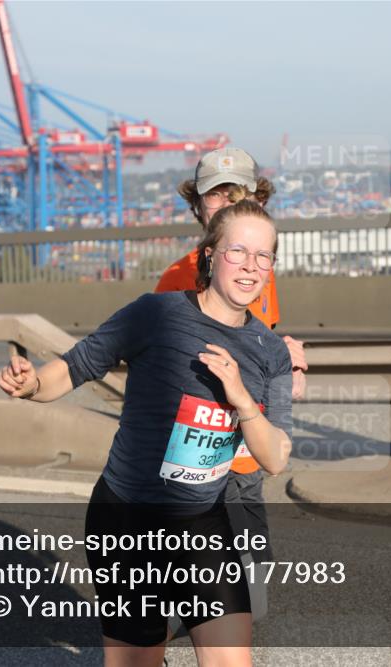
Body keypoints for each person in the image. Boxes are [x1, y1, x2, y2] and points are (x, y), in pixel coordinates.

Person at [0, 200, 293, 667]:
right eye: (239, 252)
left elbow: (275, 456)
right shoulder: (156, 314)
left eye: (264, 256)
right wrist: (31, 384)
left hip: (202, 522)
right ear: (209, 255)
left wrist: (239, 399)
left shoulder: (271, 353)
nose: (251, 266)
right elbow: (75, 368)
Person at [155, 147, 305, 563]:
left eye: (237, 194)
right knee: (198, 586)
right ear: (197, 206)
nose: (227, 205)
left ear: (258, 202)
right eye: (215, 195)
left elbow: (263, 334)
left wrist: (287, 357)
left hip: (245, 450)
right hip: (196, 455)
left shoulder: (259, 270)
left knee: (248, 581)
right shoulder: (177, 278)